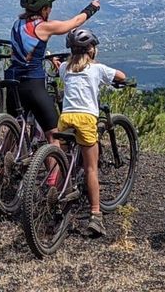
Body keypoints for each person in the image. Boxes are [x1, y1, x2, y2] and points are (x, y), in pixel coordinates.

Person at [6, 0, 100, 146]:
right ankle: (55, 171)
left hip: (12, 80)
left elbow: (26, 48)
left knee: (15, 126)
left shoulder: (17, 24)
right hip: (32, 83)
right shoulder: (43, 27)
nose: (50, 11)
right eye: (49, 7)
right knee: (54, 135)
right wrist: (92, 8)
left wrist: (46, 57)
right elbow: (74, 23)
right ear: (43, 8)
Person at [58, 27, 126, 237]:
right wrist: (118, 81)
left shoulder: (64, 68)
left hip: (65, 118)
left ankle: (60, 195)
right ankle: (96, 216)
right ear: (91, 49)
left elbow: (61, 69)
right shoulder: (97, 69)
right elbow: (122, 76)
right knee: (91, 169)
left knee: (63, 162)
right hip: (86, 119)